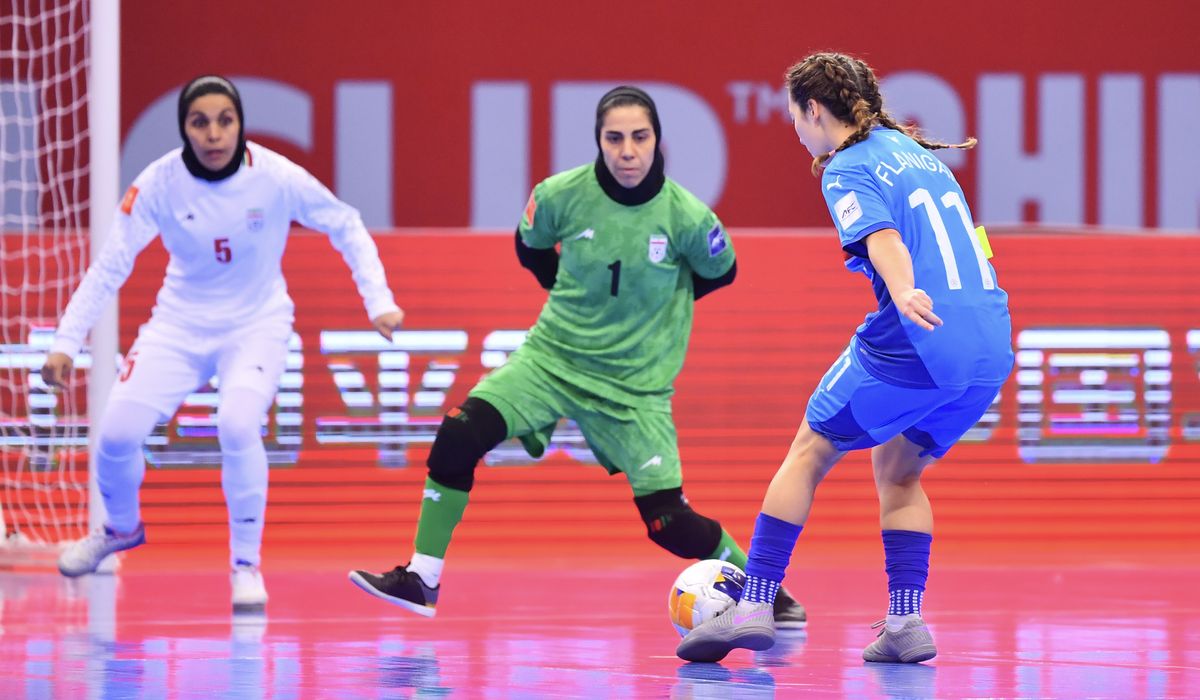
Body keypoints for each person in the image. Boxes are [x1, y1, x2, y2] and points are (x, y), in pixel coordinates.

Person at [348, 86, 806, 628]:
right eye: (615, 138)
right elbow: (530, 247)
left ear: (657, 140)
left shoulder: (687, 217)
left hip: (634, 389)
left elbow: (720, 273)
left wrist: (652, 314)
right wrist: (570, 295)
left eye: (640, 137)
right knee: (458, 434)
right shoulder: (560, 195)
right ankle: (421, 579)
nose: (628, 151)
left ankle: (766, 591)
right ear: (599, 141)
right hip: (551, 361)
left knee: (671, 525)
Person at [676, 53, 1013, 663]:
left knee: (808, 451)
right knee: (900, 471)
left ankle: (754, 603)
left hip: (919, 334)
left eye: (794, 116)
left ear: (814, 110)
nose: (795, 129)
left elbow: (883, 239)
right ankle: (905, 624)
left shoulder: (848, 166)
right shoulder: (922, 156)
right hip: (990, 344)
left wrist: (904, 290)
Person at [44, 75, 404, 612]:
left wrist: (378, 299)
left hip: (256, 325)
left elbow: (345, 223)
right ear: (184, 129)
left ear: (240, 124)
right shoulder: (158, 183)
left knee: (236, 424)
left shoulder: (276, 176)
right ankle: (120, 529)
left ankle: (245, 566)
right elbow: (110, 266)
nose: (213, 134)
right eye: (200, 122)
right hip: (178, 324)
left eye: (224, 121)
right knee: (115, 436)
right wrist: (66, 341)